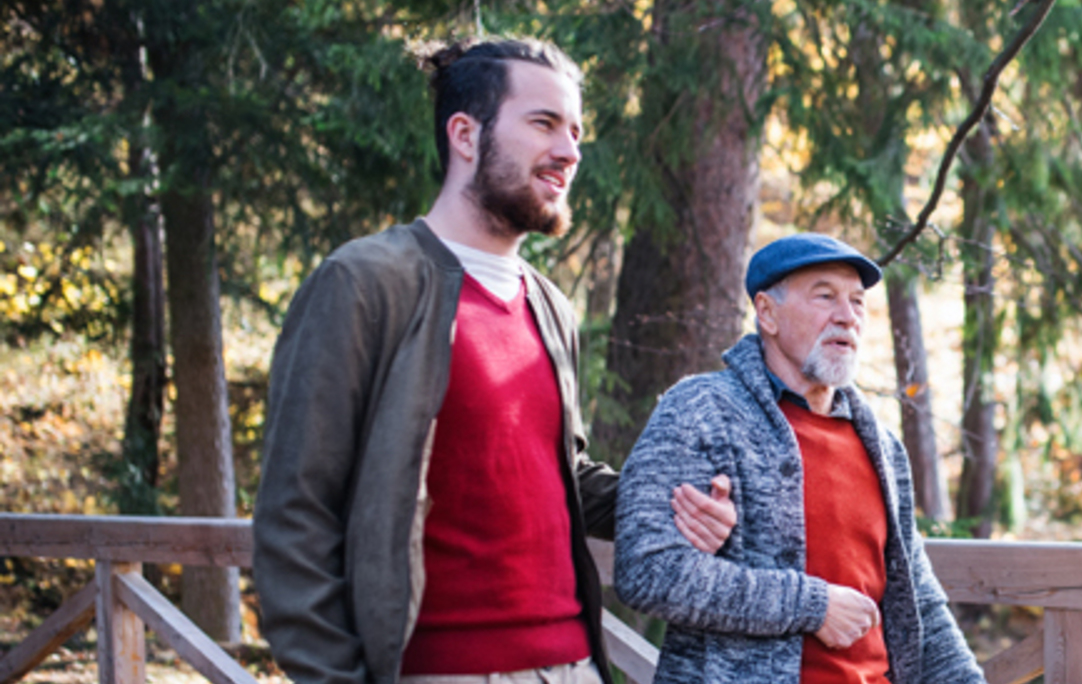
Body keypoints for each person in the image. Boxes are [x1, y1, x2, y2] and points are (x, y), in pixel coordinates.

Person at [253, 37, 736, 684]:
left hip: (576, 667)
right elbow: (296, 513)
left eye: (576, 132)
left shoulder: (549, 305)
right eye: (544, 123)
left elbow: (561, 475)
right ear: (465, 134)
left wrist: (675, 504)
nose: (570, 152)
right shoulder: (366, 282)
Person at [614, 233, 984, 684]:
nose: (847, 315)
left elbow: (920, 604)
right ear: (767, 313)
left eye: (857, 301)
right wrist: (811, 605)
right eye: (825, 296)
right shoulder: (701, 411)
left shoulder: (883, 447)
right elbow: (647, 570)